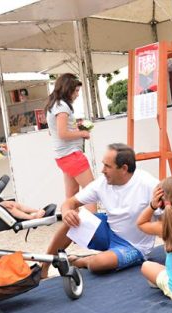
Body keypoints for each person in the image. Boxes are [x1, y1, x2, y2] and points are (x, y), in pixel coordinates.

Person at [42, 143, 159, 278]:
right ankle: (44, 267)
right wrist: (67, 212)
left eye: (107, 166)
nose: (102, 170)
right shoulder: (102, 182)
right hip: (108, 229)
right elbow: (70, 202)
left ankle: (82, 261)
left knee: (98, 264)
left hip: (133, 246)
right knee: (72, 220)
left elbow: (168, 219)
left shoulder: (149, 184)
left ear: (124, 169)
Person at [44, 73, 96, 214]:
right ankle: (95, 229)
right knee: (91, 192)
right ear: (68, 89)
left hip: (63, 156)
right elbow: (63, 134)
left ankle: (74, 231)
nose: (77, 94)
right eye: (76, 90)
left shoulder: (54, 105)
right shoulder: (63, 107)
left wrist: (75, 129)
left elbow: (54, 132)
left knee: (71, 196)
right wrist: (82, 133)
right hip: (71, 155)